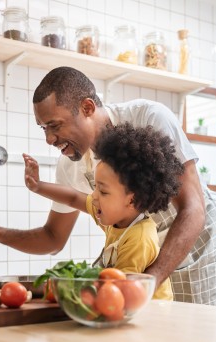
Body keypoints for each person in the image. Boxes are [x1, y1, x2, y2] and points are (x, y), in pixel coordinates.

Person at [0, 66, 216, 306]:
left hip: (194, 249)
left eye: (55, 125)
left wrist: (152, 279)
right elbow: (53, 237)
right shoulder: (70, 164)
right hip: (138, 264)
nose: (49, 140)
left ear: (88, 107)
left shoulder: (149, 118)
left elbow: (193, 208)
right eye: (43, 129)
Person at [23, 123, 185, 301]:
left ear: (132, 200)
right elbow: (73, 198)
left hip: (152, 315)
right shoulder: (115, 215)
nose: (94, 196)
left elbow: (119, 290)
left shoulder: (139, 238)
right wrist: (38, 186)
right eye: (96, 188)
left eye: (103, 191)